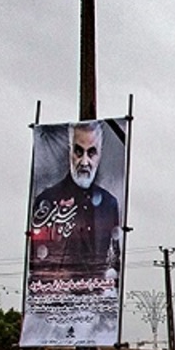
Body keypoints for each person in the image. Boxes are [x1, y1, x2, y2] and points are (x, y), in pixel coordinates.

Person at [28, 120, 122, 287]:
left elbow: (114, 260)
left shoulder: (109, 204)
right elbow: (37, 265)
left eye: (91, 153)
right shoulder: (46, 201)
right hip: (55, 300)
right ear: (70, 152)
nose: (84, 162)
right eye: (79, 152)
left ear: (100, 154)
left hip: (97, 302)